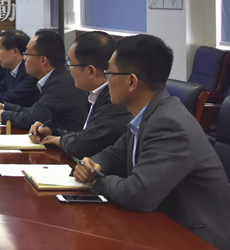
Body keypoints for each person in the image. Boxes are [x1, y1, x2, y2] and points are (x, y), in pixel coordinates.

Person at [74, 35, 230, 250]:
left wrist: (95, 181)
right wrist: (93, 165)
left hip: (195, 238)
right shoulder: (149, 114)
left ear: (131, 82)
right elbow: (114, 153)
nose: (107, 81)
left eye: (110, 73)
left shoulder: (169, 123)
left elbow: (137, 194)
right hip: (160, 223)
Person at [29, 31, 132, 158]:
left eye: (70, 64)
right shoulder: (97, 95)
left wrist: (60, 139)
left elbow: (83, 146)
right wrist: (52, 132)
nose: (68, 70)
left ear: (91, 71)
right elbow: (86, 135)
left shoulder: (115, 101)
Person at [0, 29, 88, 131]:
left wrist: (4, 116)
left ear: (43, 60)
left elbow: (33, 118)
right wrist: (5, 107)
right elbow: (34, 111)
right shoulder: (53, 77)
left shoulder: (61, 84)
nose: (24, 58)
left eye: (27, 54)